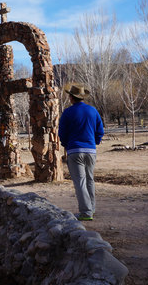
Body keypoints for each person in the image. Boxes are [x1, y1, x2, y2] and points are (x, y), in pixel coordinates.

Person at [58, 85, 104, 221]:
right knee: (90, 179)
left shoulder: (67, 112)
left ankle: (85, 212)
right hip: (90, 150)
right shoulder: (93, 111)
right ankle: (92, 208)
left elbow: (62, 133)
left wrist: (66, 144)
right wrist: (94, 142)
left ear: (72, 97)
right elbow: (100, 130)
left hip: (74, 150)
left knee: (80, 182)